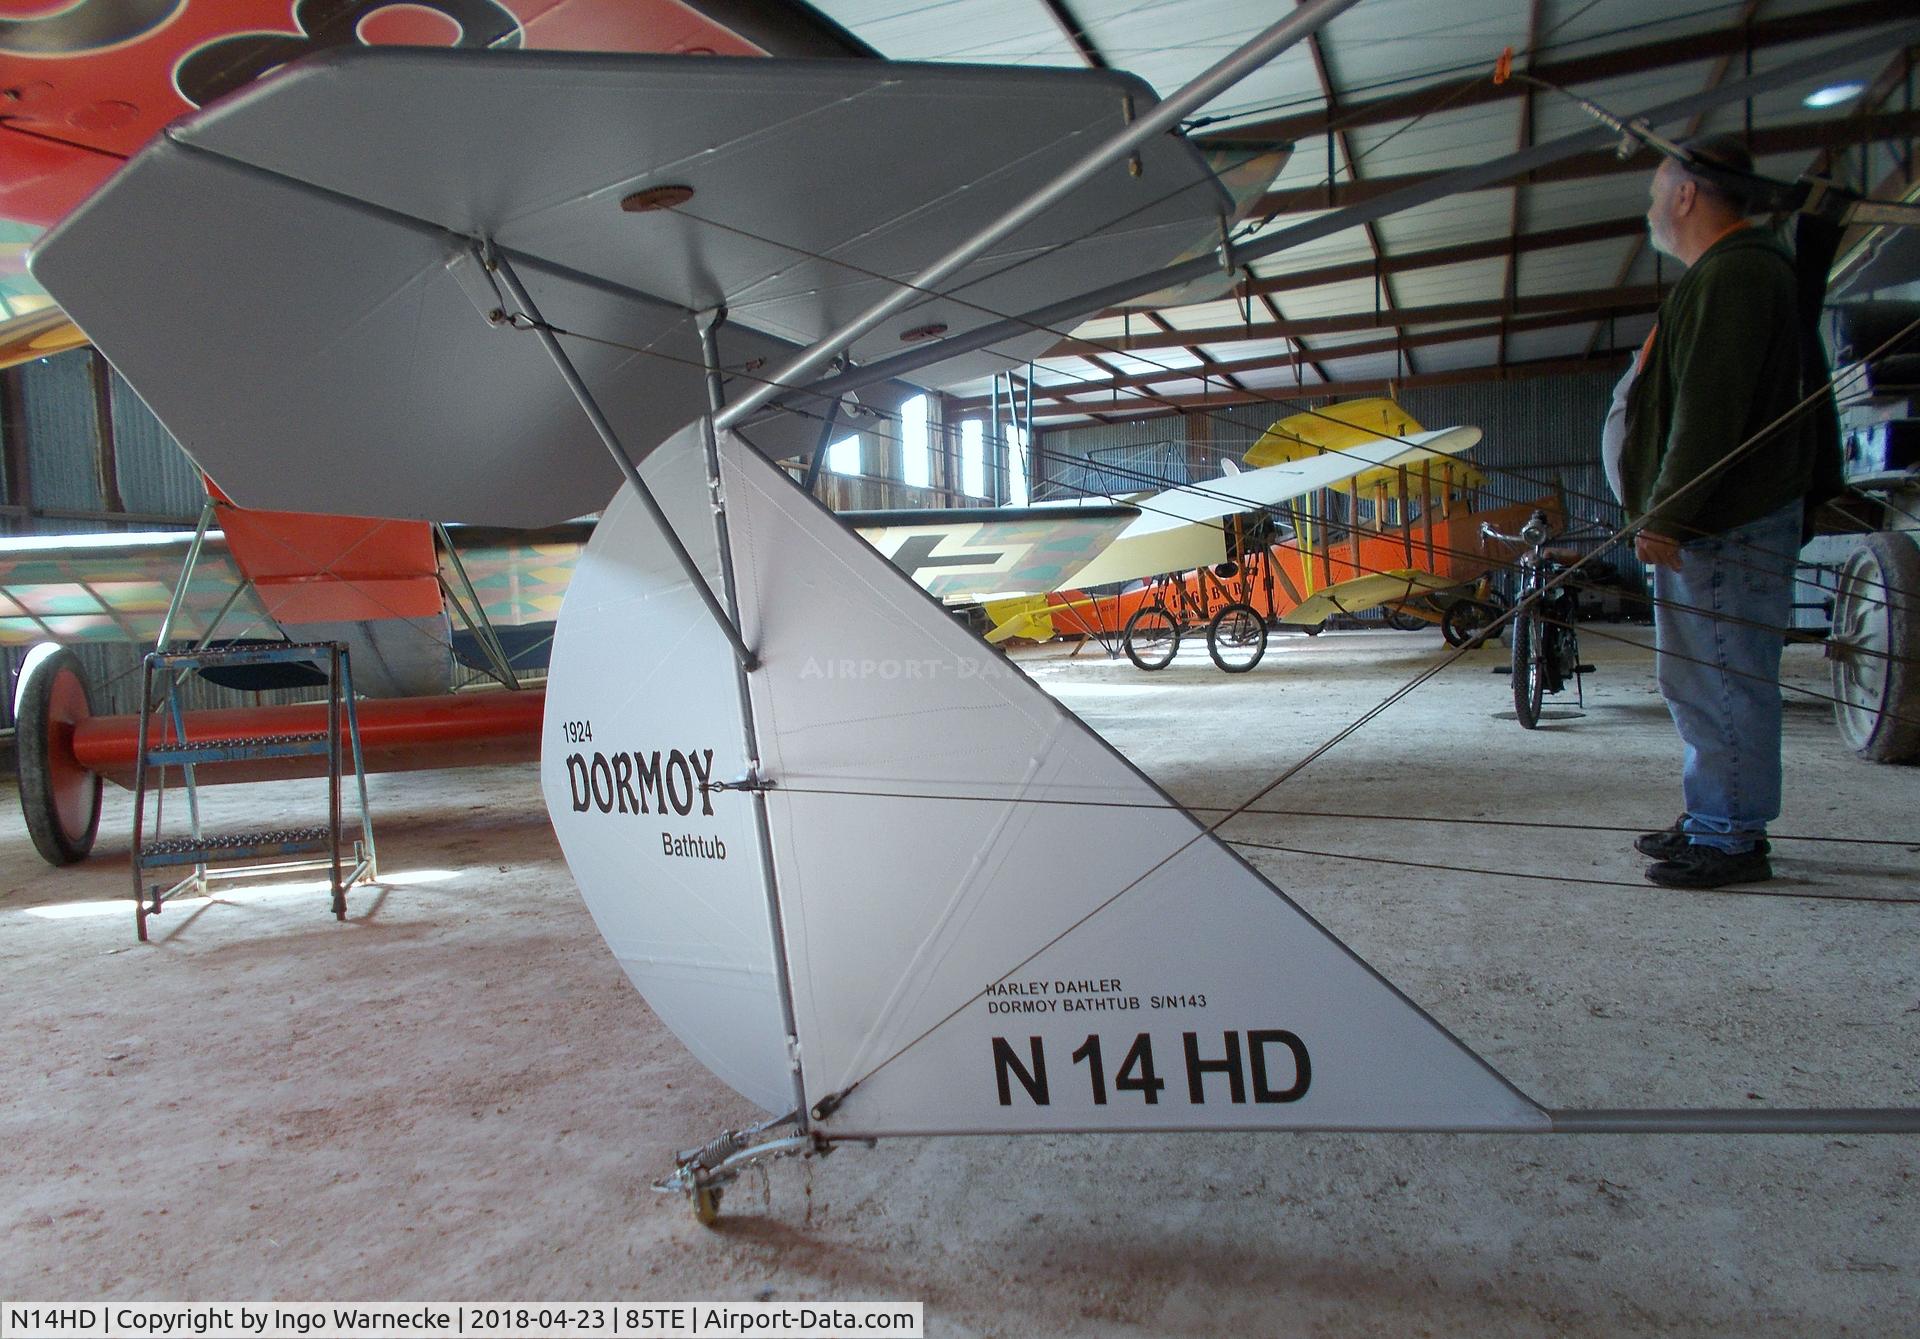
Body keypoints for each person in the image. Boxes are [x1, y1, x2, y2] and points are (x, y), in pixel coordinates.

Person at [1606, 134, 1838, 889]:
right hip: (1720, 521)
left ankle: (1732, 834)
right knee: (1699, 679)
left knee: (1725, 678)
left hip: (1724, 523)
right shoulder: (1731, 273)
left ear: (1686, 194)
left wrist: (1667, 514)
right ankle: (1715, 812)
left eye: (1652, 192)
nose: (1646, 207)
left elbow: (1709, 410)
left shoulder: (1737, 274)